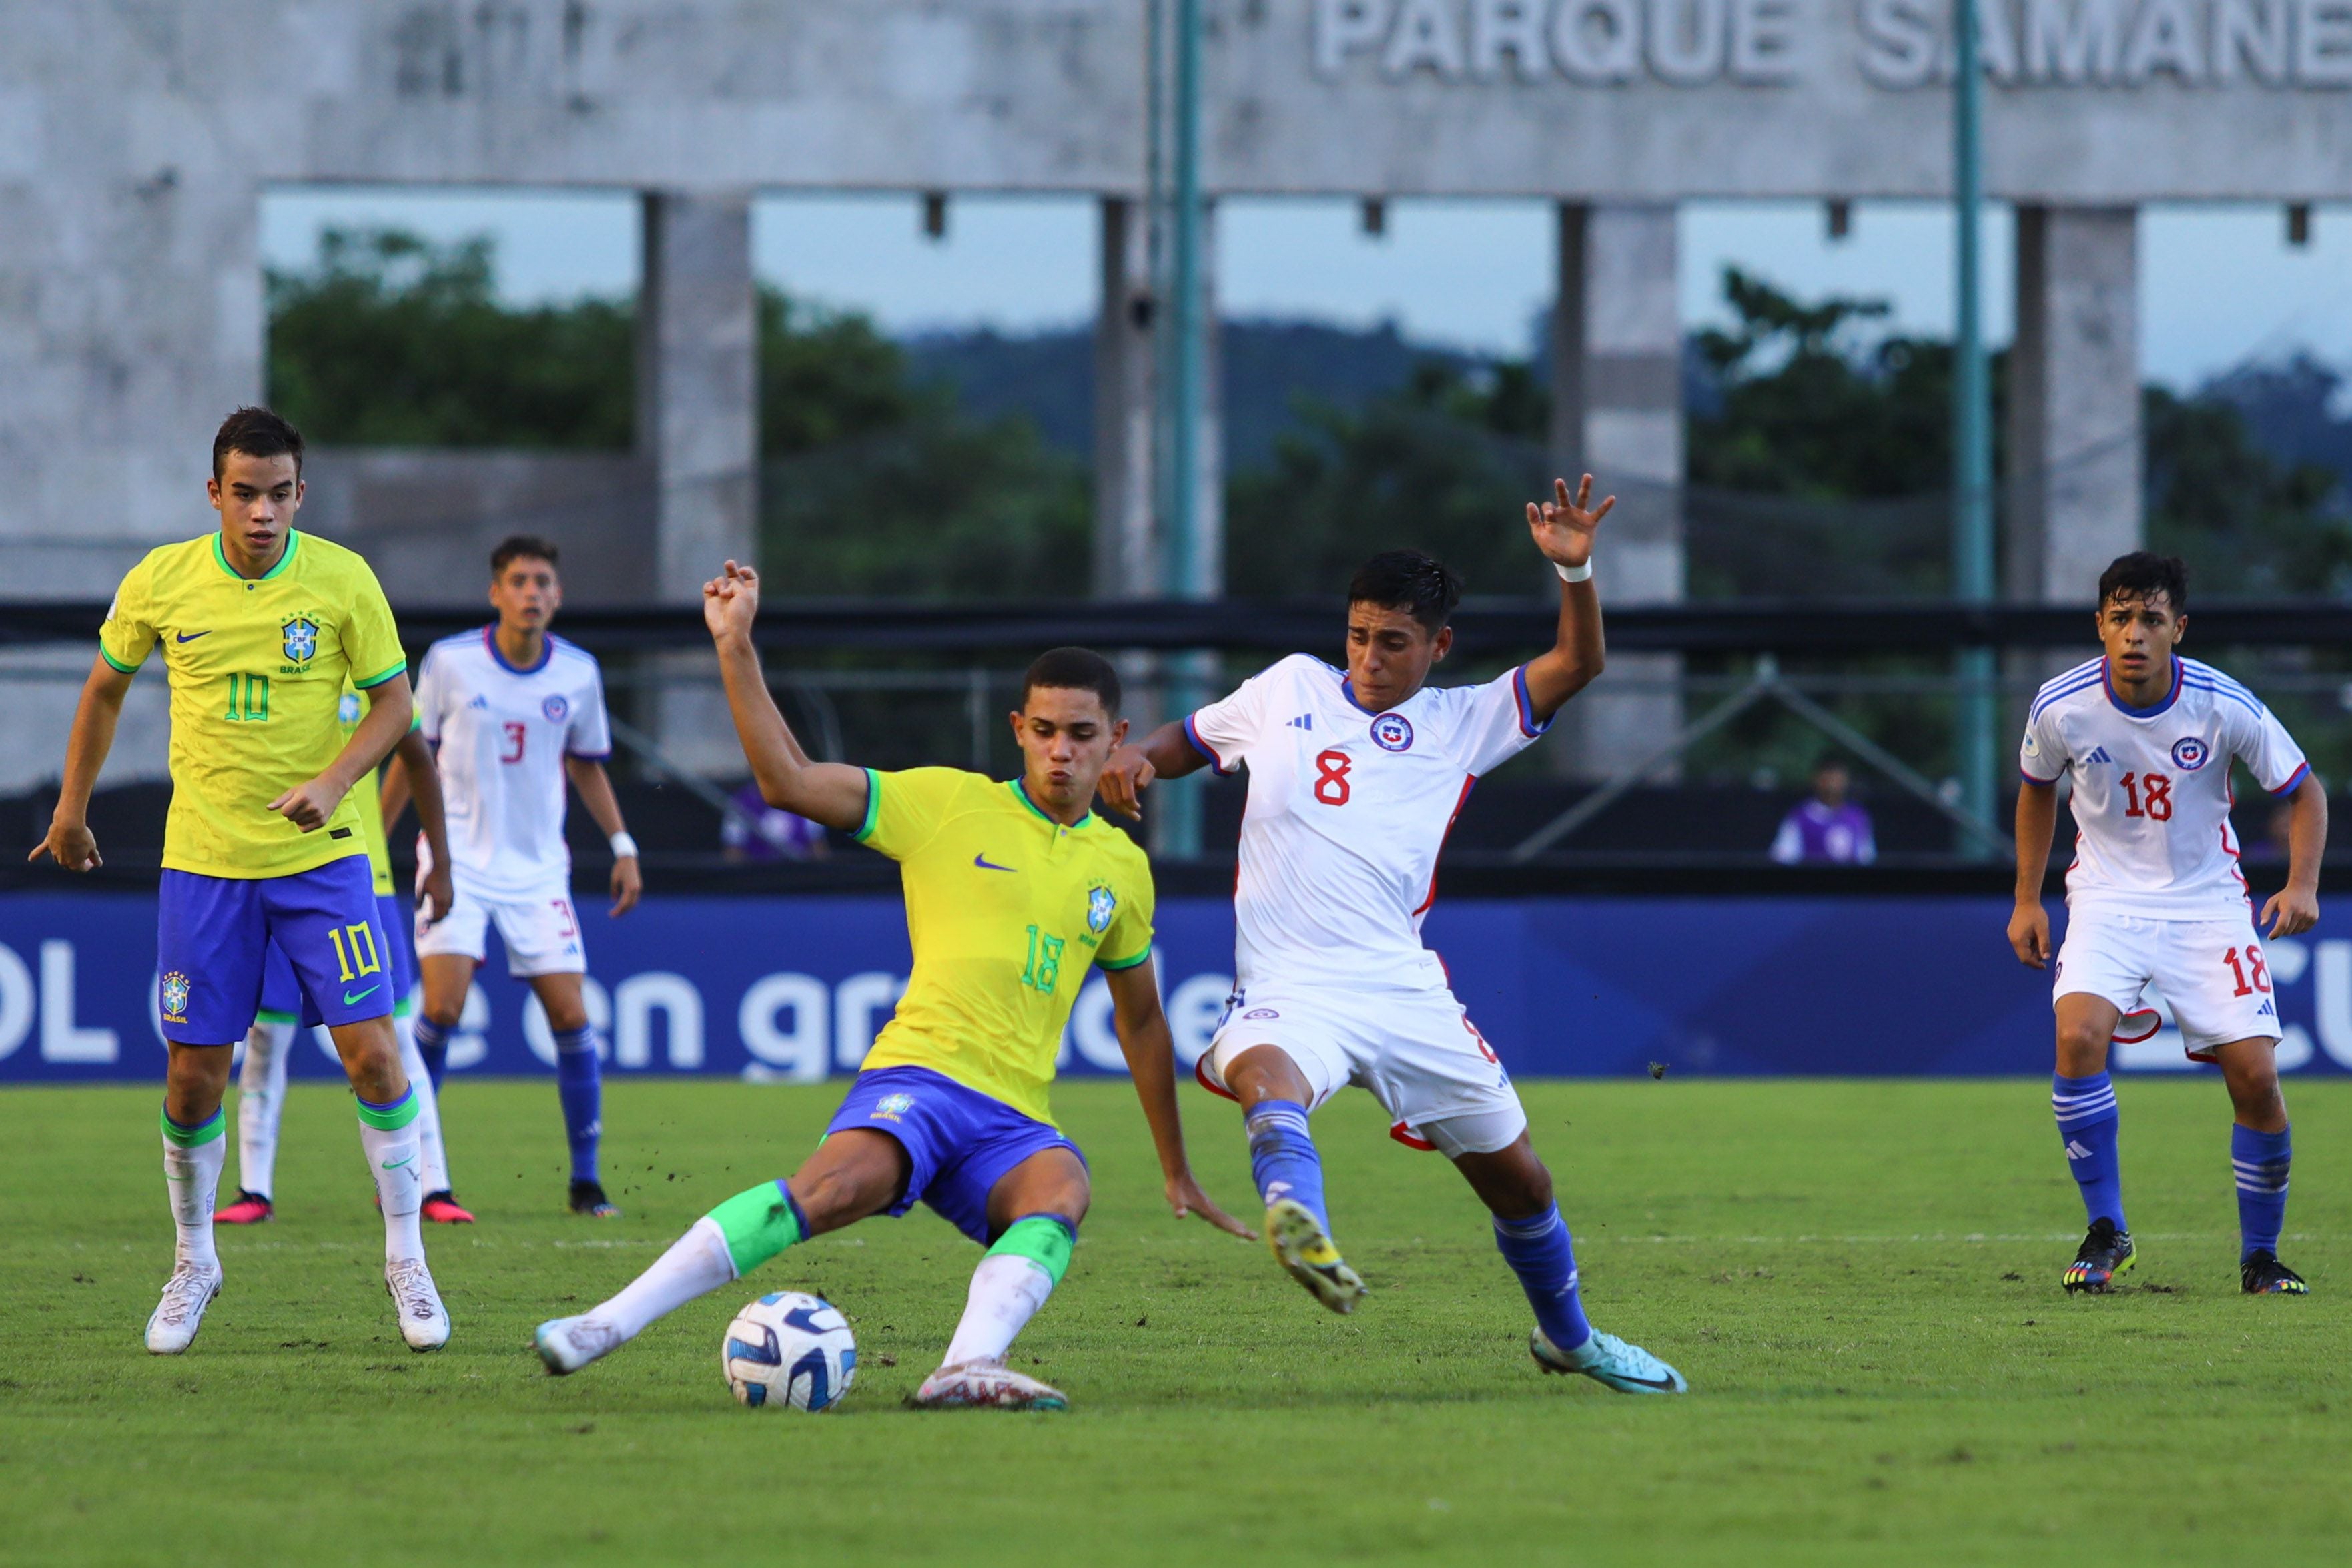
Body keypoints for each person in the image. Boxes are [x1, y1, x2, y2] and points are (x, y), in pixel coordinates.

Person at [534, 562, 1251, 1410]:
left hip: (1013, 1116)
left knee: (1062, 1188)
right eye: (1047, 729)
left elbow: (1140, 1019)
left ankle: (963, 1367)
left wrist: (1176, 1168)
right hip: (921, 1077)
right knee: (828, 1192)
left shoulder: (1123, 869)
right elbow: (788, 782)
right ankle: (605, 1324)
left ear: (1115, 735)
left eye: (1083, 734)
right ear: (1018, 728)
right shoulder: (945, 805)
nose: (1063, 751)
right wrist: (735, 647)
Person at [1096, 476, 1687, 1396]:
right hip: (1292, 981)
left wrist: (1577, 574)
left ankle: (1568, 1337)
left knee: (1522, 1183)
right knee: (1266, 1072)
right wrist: (1138, 756)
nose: (1369, 656)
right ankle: (1298, 1214)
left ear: (1438, 645)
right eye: (1359, 634)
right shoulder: (1288, 686)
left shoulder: (1461, 721)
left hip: (1404, 990)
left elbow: (1577, 666)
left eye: (1395, 641)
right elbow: (1187, 737)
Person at [29, 406, 448, 1354]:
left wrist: (335, 780)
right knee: (193, 1076)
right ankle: (193, 1258)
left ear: (302, 492)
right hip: (207, 866)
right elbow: (103, 687)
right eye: (246, 493)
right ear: (214, 492)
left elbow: (396, 704)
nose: (264, 512)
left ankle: (404, 1255)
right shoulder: (163, 579)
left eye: (281, 493)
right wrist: (70, 807)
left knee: (374, 1057)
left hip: (323, 861)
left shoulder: (343, 579)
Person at [2010, 552, 2326, 1296]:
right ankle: (2107, 1228)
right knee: (2076, 1034)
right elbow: (2035, 792)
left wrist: (2302, 883)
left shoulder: (2223, 703)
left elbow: (2305, 791)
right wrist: (2028, 897)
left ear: (2177, 629)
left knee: (2255, 1074)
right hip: (2108, 900)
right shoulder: (2061, 704)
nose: (2134, 634)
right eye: (2120, 617)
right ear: (2101, 625)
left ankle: (2260, 1257)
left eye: (2151, 618)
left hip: (2208, 906)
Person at [406, 536, 643, 1218]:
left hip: (539, 871)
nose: (532, 592)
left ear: (557, 596)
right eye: (519, 580)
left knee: (571, 1014)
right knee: (442, 1009)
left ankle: (587, 1181)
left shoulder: (577, 673)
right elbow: (413, 759)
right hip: (457, 861)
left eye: (543, 581)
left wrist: (622, 843)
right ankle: (410, 1165)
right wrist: (371, 845)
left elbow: (588, 762)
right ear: (496, 593)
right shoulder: (451, 662)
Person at [218, 702, 474, 1226]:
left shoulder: (372, 672)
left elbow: (418, 758)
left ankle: (433, 1185)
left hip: (359, 882)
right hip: (265, 872)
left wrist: (439, 862)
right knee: (267, 1036)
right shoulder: (262, 658)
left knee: (396, 1036)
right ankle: (254, 1191)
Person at [1769, 759, 1876, 864]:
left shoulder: (1858, 817)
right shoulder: (1799, 817)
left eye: (1838, 779)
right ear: (1817, 779)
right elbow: (1782, 858)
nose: (1833, 785)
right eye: (1828, 779)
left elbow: (1867, 858)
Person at [721, 779, 830, 862]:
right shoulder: (742, 803)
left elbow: (818, 849)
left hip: (798, 879)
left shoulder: (805, 800)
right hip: (758, 879)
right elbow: (734, 853)